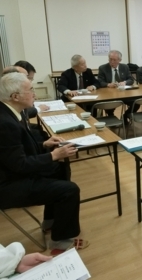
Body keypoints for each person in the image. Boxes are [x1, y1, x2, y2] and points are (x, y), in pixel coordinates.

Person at [0, 73, 88, 254]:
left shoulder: (10, 112)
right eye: (30, 90)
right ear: (15, 96)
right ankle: (60, 243)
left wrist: (44, 145)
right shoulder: (5, 123)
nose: (35, 94)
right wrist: (53, 155)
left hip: (10, 173)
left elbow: (18, 150)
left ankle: (51, 222)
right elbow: (20, 165)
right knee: (70, 190)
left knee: (60, 167)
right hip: (7, 185)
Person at [98, 50, 135, 124]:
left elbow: (131, 79)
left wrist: (124, 82)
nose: (112, 62)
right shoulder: (103, 68)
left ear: (119, 60)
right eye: (110, 59)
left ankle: (125, 116)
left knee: (136, 102)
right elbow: (99, 82)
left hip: (123, 94)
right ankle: (112, 118)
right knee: (109, 105)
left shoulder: (125, 67)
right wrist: (108, 84)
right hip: (109, 95)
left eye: (114, 60)